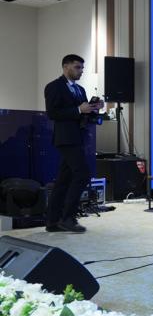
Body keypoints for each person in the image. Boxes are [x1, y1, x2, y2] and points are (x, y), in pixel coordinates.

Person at [44, 54, 103, 232]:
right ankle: (68, 218)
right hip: (65, 138)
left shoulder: (80, 90)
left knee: (64, 180)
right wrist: (78, 109)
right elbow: (52, 113)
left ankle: (52, 221)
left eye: (82, 68)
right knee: (82, 174)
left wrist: (93, 109)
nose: (81, 71)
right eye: (77, 67)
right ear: (66, 66)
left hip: (78, 138)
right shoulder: (54, 87)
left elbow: (83, 115)